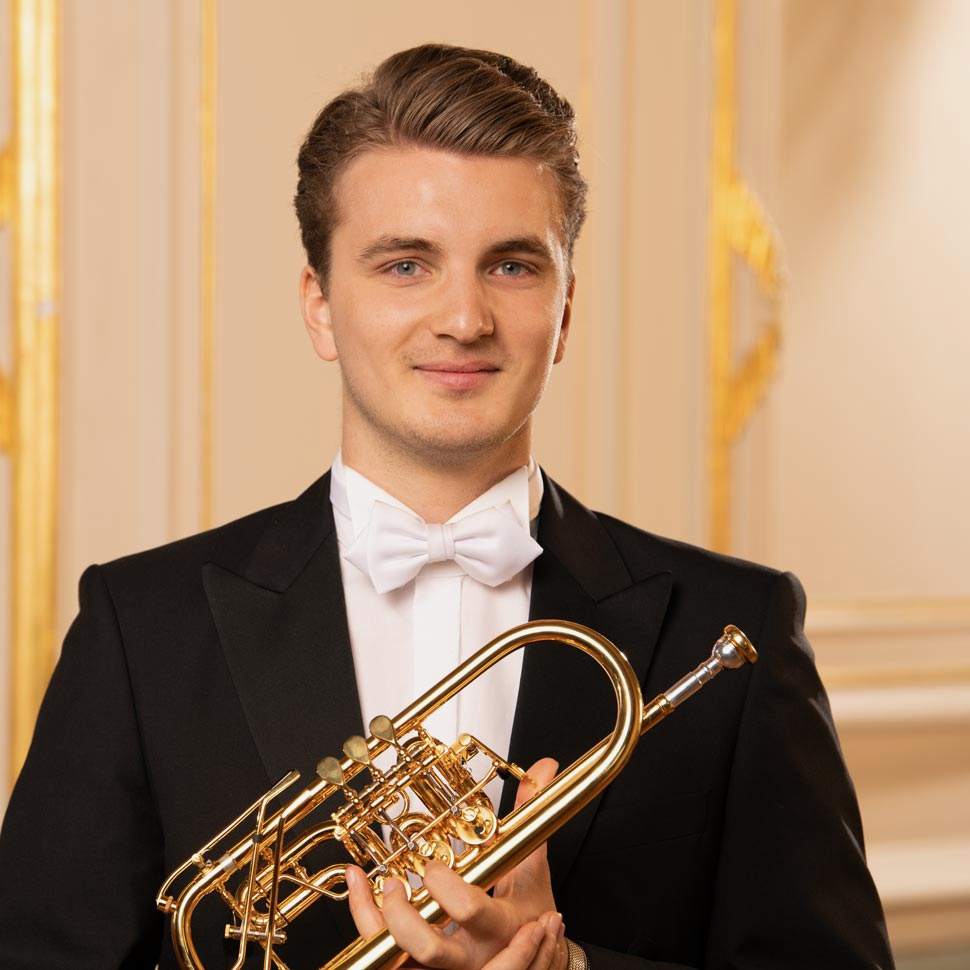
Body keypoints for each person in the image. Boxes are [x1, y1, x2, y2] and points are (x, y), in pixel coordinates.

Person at [0, 44, 894, 970]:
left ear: (565, 310)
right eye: (404, 266)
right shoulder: (143, 629)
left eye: (511, 267)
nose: (464, 319)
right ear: (319, 305)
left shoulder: (732, 626)